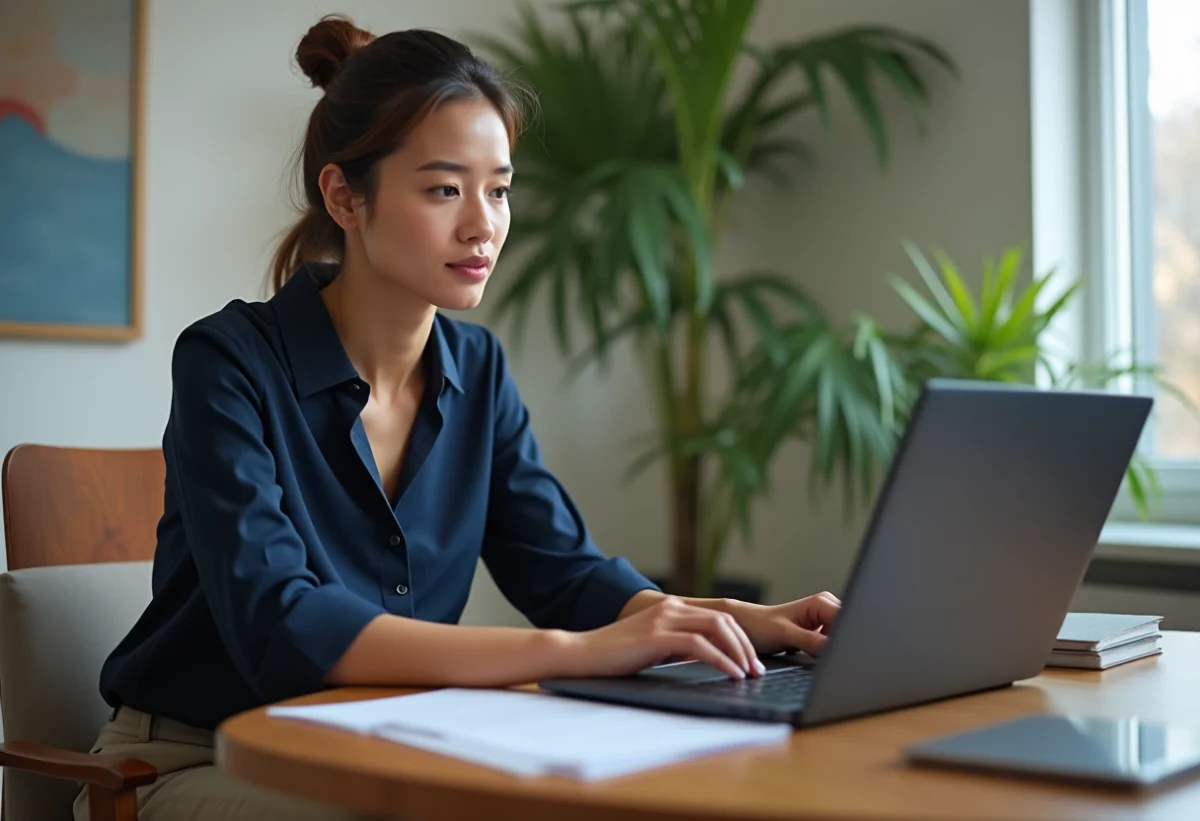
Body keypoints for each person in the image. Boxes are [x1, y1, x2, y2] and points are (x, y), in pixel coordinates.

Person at [74, 14, 841, 821]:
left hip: (378, 751)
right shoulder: (227, 362)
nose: (484, 224)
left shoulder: (478, 370)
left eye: (499, 189)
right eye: (445, 188)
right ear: (344, 195)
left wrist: (741, 622)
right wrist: (570, 654)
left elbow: (567, 573)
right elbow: (283, 625)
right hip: (189, 759)